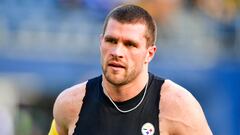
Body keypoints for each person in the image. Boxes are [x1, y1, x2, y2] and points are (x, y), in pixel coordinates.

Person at [48, 4, 213, 135]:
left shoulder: (178, 106)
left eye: (130, 44)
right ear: (100, 43)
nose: (117, 52)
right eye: (111, 41)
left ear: (149, 53)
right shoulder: (70, 104)